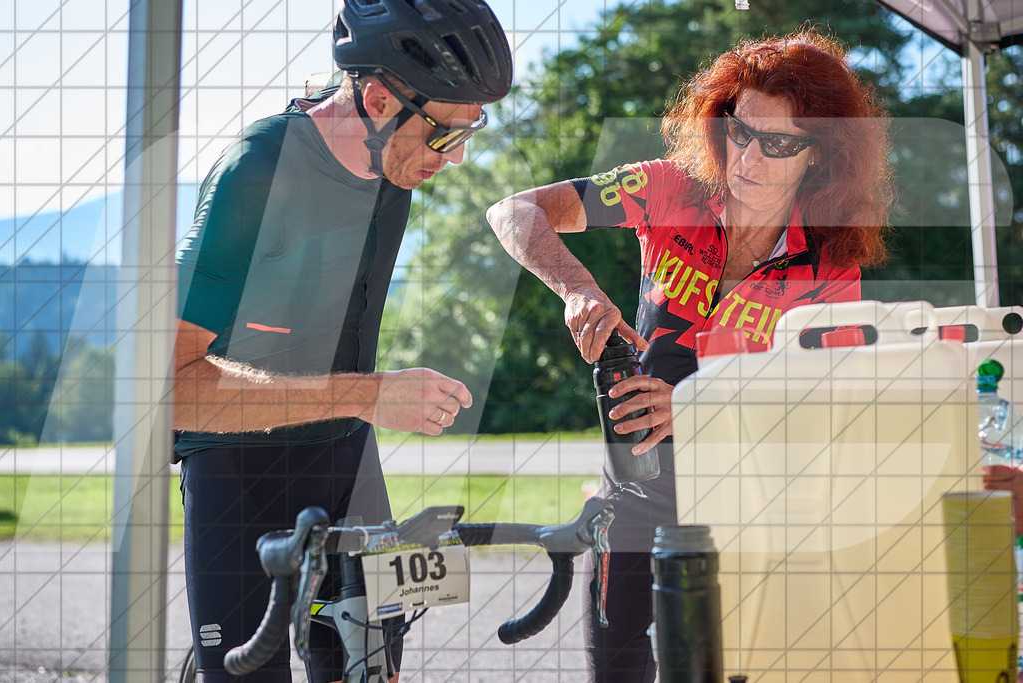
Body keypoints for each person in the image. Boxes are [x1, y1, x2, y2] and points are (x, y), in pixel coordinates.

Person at [485, 29, 893, 682]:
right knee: (615, 668)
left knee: (722, 669)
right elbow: (514, 212)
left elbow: (825, 413)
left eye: (779, 143)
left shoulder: (831, 263)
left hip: (746, 500)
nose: (748, 161)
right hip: (634, 489)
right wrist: (578, 289)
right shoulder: (672, 187)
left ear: (820, 156)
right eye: (739, 130)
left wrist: (698, 409)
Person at [173, 0, 512, 680]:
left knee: (373, 666)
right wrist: (372, 393)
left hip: (346, 458)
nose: (455, 156)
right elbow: (170, 390)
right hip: (236, 469)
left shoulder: (396, 170)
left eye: (473, 131)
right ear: (379, 97)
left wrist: (368, 401)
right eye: (446, 135)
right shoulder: (257, 170)